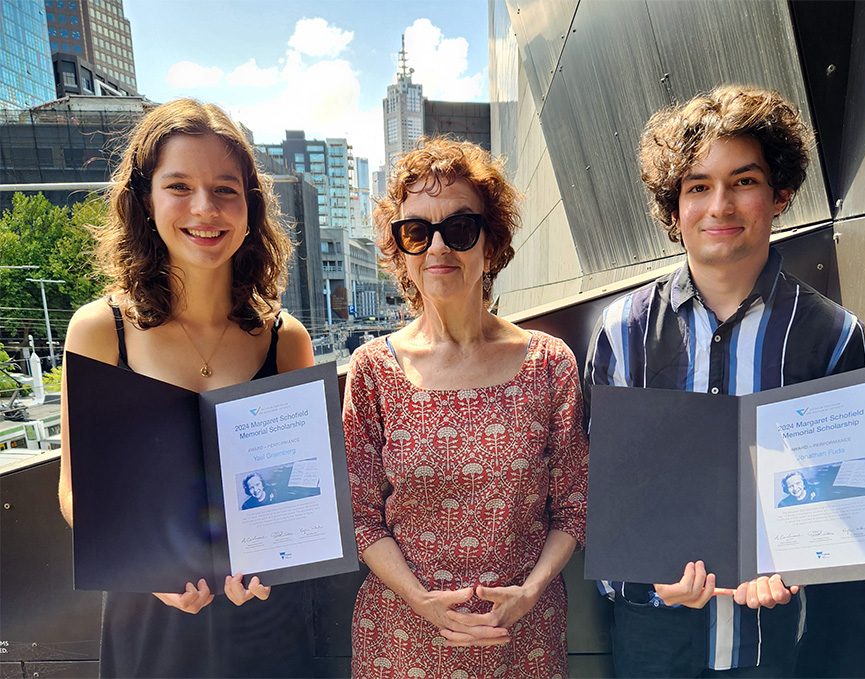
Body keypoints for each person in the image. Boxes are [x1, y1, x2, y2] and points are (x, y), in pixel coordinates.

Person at [585, 85, 865, 677]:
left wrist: (797, 567)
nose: (720, 206)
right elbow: (597, 488)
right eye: (697, 186)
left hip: (770, 644)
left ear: (780, 193)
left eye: (743, 181)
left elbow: (842, 494)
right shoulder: (621, 332)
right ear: (674, 208)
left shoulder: (830, 336)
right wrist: (649, 578)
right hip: (650, 642)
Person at [57, 99, 316, 678]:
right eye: (179, 186)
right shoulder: (101, 330)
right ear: (145, 201)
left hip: (263, 620)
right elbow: (76, 493)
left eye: (226, 188)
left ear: (250, 207)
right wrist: (152, 570)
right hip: (150, 618)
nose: (205, 208)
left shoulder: (285, 339)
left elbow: (299, 494)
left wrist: (279, 561)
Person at [343, 138, 588, 677]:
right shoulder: (372, 371)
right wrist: (419, 600)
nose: (438, 248)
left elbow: (574, 507)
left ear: (491, 244)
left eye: (459, 229)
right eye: (416, 231)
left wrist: (530, 592)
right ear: (400, 250)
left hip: (522, 642)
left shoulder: (549, 364)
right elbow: (361, 519)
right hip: (401, 644)